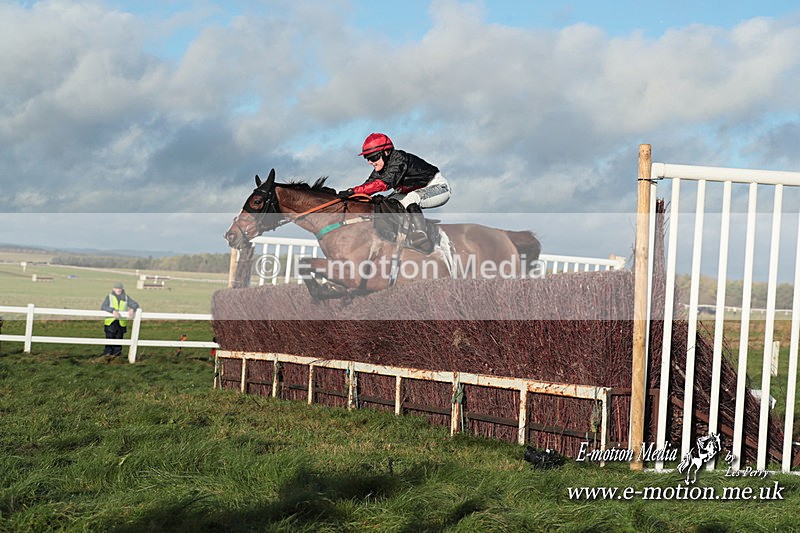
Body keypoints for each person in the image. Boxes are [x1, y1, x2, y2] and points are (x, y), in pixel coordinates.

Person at [338, 132, 450, 252]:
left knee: (411, 198)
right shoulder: (382, 166)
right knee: (388, 202)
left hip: (438, 187)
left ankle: (421, 235)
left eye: (373, 157)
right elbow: (368, 186)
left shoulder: (399, 159)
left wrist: (353, 191)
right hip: (413, 190)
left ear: (386, 153)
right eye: (367, 158)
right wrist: (351, 195)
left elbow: (382, 184)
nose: (370, 162)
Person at [100, 282, 140, 356]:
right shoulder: (109, 297)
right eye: (117, 288)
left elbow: (135, 304)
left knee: (119, 340)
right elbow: (103, 307)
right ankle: (107, 355)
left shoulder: (126, 297)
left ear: (122, 289)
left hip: (121, 323)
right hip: (110, 322)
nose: (118, 290)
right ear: (113, 289)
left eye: (120, 288)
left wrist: (132, 309)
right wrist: (112, 310)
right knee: (109, 340)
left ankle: (117, 356)